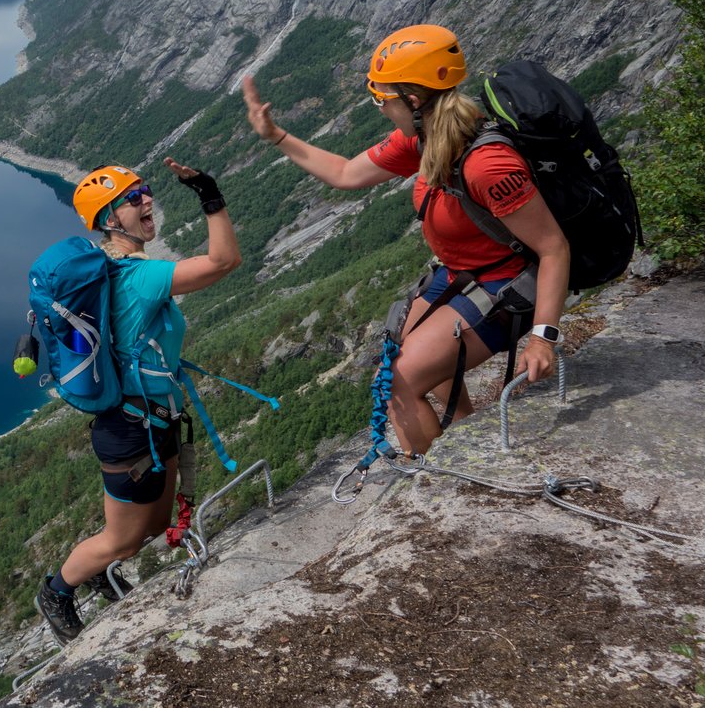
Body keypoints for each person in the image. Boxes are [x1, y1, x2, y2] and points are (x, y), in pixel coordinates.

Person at [241, 23, 569, 456]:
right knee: (401, 351)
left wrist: (543, 337)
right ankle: (468, 437)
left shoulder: (487, 164)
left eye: (382, 98)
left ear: (413, 101)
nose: (379, 108)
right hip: (463, 273)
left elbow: (553, 247)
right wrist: (277, 136)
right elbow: (345, 173)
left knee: (395, 382)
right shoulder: (425, 138)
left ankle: (440, 481)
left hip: (506, 287)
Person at [35, 157, 241, 644]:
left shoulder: (120, 268)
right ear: (111, 220)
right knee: (122, 539)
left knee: (150, 531)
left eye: (144, 189)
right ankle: (57, 592)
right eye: (133, 198)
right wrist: (209, 194)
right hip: (129, 430)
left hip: (154, 420)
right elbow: (224, 262)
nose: (147, 199)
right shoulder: (137, 278)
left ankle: (100, 574)